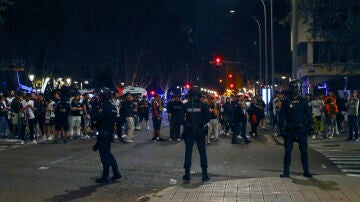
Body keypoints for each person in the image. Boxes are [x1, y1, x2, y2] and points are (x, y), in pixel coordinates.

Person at [279, 80, 313, 178]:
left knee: (304, 152)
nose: (295, 89)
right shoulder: (286, 101)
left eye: (297, 88)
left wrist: (311, 127)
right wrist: (281, 129)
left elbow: (308, 115)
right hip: (289, 130)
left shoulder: (303, 101)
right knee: (288, 152)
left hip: (301, 129)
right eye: (294, 88)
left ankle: (306, 171)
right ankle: (286, 172)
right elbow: (282, 116)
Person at [92, 87, 122, 183]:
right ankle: (116, 172)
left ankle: (105, 176)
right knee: (108, 153)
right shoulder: (112, 106)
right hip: (109, 132)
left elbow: (96, 117)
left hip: (103, 132)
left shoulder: (104, 106)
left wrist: (95, 110)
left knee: (104, 155)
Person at [182, 86, 211, 182]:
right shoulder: (203, 105)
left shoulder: (186, 105)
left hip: (189, 131)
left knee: (188, 153)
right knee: (202, 152)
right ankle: (204, 174)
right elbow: (208, 117)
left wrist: (188, 124)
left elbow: (180, 118)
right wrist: (200, 123)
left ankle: (187, 174)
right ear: (199, 95)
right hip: (199, 131)